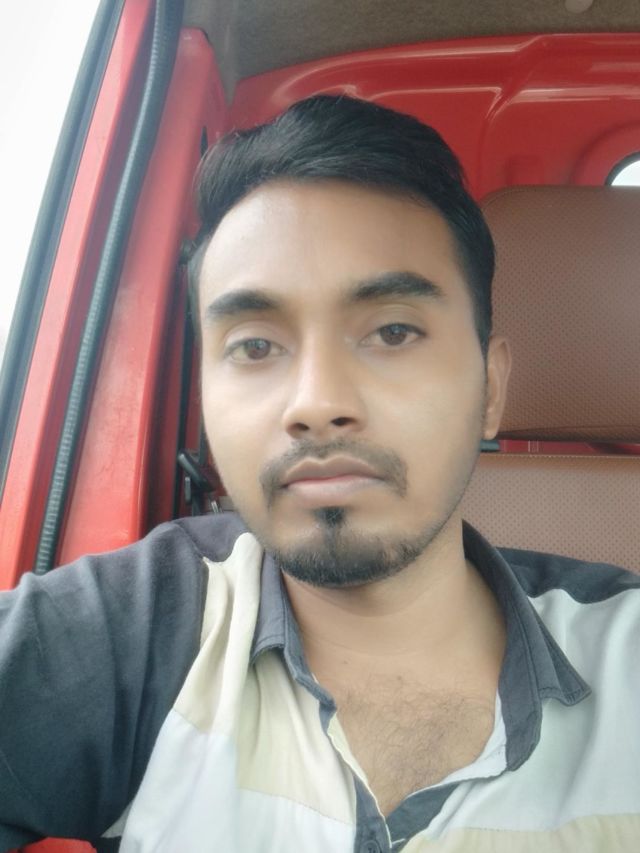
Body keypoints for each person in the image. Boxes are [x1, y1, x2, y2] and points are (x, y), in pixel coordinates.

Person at [1, 95, 638, 853]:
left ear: (491, 389)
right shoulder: (138, 629)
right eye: (255, 346)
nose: (317, 403)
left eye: (392, 331)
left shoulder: (626, 652)